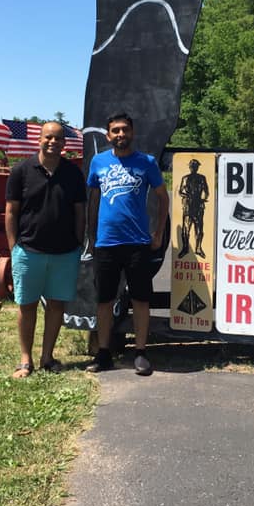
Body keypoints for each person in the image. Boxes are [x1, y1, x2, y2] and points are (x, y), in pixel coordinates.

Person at [86, 112, 169, 376]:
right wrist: (91, 235)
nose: (120, 134)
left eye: (125, 129)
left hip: (137, 243)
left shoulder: (146, 163)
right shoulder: (98, 162)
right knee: (104, 300)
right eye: (115, 131)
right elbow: (93, 201)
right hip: (107, 243)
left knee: (141, 299)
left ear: (132, 132)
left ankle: (141, 352)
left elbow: (162, 198)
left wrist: (158, 233)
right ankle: (103, 353)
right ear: (108, 135)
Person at [5, 122, 86, 378]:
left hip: (65, 253)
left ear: (65, 144)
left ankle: (47, 357)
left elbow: (79, 211)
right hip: (29, 251)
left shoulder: (73, 174)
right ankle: (25, 360)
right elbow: (11, 211)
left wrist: (78, 241)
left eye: (58, 139)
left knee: (56, 306)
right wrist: (13, 247)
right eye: (48, 137)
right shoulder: (21, 171)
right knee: (26, 306)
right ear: (39, 139)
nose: (53, 142)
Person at [178, 158, 209, 258]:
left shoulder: (202, 178)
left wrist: (203, 198)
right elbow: (180, 191)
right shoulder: (185, 178)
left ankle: (198, 248)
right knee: (185, 230)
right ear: (190, 167)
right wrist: (187, 196)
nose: (194, 168)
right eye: (192, 166)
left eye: (195, 166)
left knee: (199, 229)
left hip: (198, 206)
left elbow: (206, 191)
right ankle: (185, 248)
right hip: (188, 206)